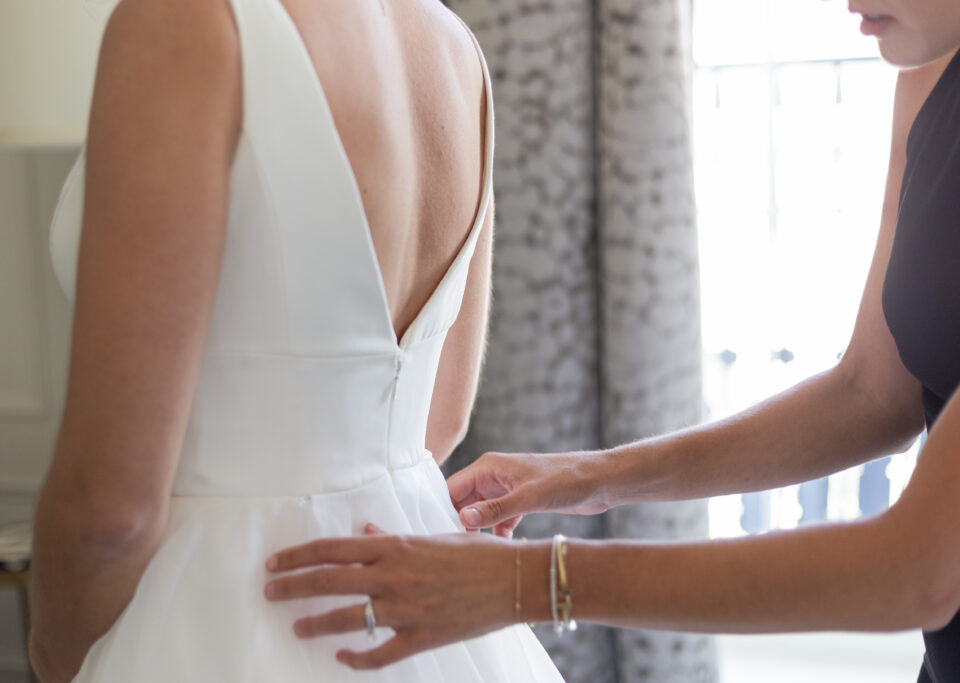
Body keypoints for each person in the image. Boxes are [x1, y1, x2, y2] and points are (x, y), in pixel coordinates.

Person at [263, 2, 960, 681]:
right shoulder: (928, 68)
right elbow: (871, 391)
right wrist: (589, 476)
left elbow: (918, 571)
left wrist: (529, 581)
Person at [25, 0, 565, 680]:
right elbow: (441, 419)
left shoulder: (183, 22)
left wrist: (55, 654)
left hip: (215, 612)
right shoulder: (455, 47)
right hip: (424, 612)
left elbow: (110, 510)